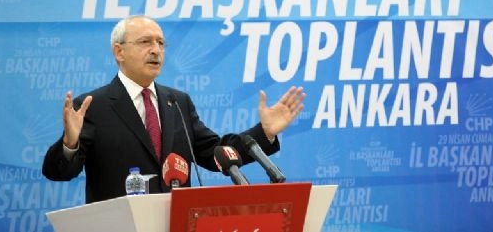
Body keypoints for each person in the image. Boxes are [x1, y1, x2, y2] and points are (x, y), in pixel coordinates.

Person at [42, 15, 305, 204]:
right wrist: (70, 144)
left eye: (160, 43)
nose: (156, 50)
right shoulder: (93, 105)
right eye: (145, 42)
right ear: (119, 52)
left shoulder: (178, 102)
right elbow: (58, 172)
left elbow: (214, 153)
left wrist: (264, 133)